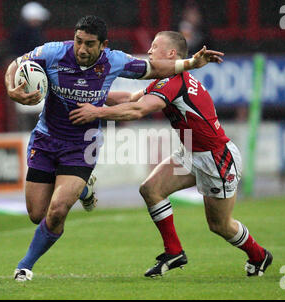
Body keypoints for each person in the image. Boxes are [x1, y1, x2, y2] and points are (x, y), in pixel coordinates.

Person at [4, 16, 224, 282]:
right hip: (45, 139)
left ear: (103, 45)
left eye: (89, 44)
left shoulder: (114, 60)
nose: (82, 49)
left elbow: (154, 67)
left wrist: (192, 63)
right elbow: (16, 65)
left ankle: (25, 266)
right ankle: (84, 189)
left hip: (82, 144)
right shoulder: (53, 52)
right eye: (78, 41)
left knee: (57, 210)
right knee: (36, 214)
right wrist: (11, 89)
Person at [69, 31, 273, 278]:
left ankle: (259, 255)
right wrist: (80, 93)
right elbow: (130, 97)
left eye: (155, 47)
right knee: (150, 189)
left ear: (171, 54)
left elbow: (136, 110)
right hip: (190, 151)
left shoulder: (174, 82)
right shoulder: (165, 80)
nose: (150, 51)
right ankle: (174, 251)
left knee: (220, 225)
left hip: (217, 159)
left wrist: (96, 112)